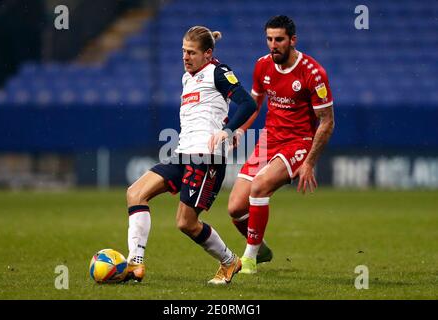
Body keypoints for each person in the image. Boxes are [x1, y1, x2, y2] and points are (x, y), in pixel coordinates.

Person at [125, 26, 257, 284]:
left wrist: (228, 130)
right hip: (182, 152)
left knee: (186, 223)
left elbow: (248, 103)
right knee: (135, 193)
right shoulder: (188, 78)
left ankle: (230, 262)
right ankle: (135, 263)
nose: (185, 57)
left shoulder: (218, 72)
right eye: (183, 51)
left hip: (206, 158)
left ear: (208, 54)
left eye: (192, 53)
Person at [227, 15, 335, 274]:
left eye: (279, 40)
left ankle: (249, 260)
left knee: (260, 186)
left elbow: (327, 121)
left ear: (292, 40)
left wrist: (309, 162)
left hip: (298, 142)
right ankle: (261, 249)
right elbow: (254, 104)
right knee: (235, 208)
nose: (273, 45)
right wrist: (240, 130)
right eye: (269, 39)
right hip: (269, 140)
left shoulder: (312, 73)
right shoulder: (262, 66)